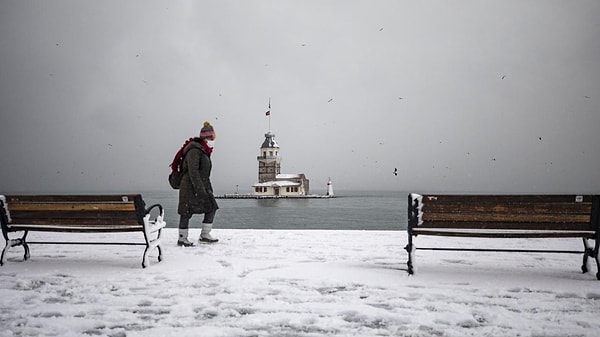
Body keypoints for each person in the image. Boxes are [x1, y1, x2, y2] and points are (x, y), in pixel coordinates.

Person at [177, 121, 219, 246]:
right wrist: (199, 189)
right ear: (207, 138)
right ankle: (182, 238)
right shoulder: (194, 150)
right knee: (186, 211)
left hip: (202, 184)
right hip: (189, 186)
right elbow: (193, 171)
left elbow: (204, 172)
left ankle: (205, 234)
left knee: (211, 207)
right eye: (212, 138)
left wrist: (207, 187)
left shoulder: (204, 150)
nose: (213, 140)